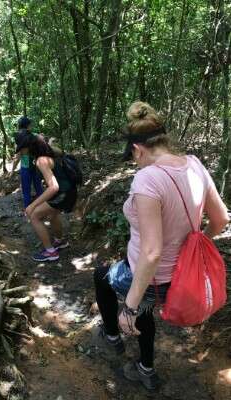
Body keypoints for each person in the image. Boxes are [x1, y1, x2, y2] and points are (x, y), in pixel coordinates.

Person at [93, 102, 229, 391]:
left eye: (133, 157)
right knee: (144, 303)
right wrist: (190, 247)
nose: (134, 163)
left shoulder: (147, 179)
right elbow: (221, 219)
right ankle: (146, 368)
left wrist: (127, 308)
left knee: (105, 280)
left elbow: (152, 253)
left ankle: (113, 337)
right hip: (184, 275)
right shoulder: (194, 164)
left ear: (138, 149)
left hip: (155, 277)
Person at [24, 134, 77, 262]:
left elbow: (53, 187)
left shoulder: (41, 160)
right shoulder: (51, 152)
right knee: (52, 214)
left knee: (34, 216)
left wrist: (32, 205)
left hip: (62, 194)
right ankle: (60, 242)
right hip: (70, 191)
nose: (22, 151)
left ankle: (50, 252)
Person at [12, 116, 43, 209]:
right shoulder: (34, 135)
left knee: (26, 189)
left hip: (25, 162)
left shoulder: (17, 136)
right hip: (35, 162)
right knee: (38, 186)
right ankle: (42, 207)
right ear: (28, 125)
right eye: (30, 125)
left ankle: (28, 209)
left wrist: (12, 170)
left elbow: (18, 155)